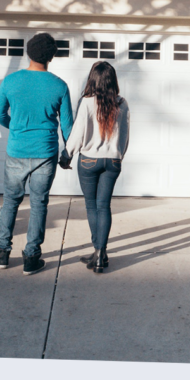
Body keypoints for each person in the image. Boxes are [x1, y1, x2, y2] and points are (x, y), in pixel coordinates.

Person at [0, 32, 73, 276]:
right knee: (39, 203)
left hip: (17, 151)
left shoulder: (11, 81)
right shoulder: (59, 85)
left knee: (11, 201)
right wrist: (68, 154)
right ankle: (32, 258)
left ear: (28, 52)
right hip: (45, 152)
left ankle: (1, 253)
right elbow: (68, 127)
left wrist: (15, 127)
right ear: (52, 57)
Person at [63, 61, 129, 273]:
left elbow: (78, 132)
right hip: (112, 161)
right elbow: (125, 136)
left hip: (89, 160)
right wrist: (118, 156)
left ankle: (98, 251)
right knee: (104, 206)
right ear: (113, 80)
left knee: (92, 207)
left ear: (93, 79)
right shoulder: (122, 103)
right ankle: (100, 254)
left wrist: (67, 155)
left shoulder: (87, 101)